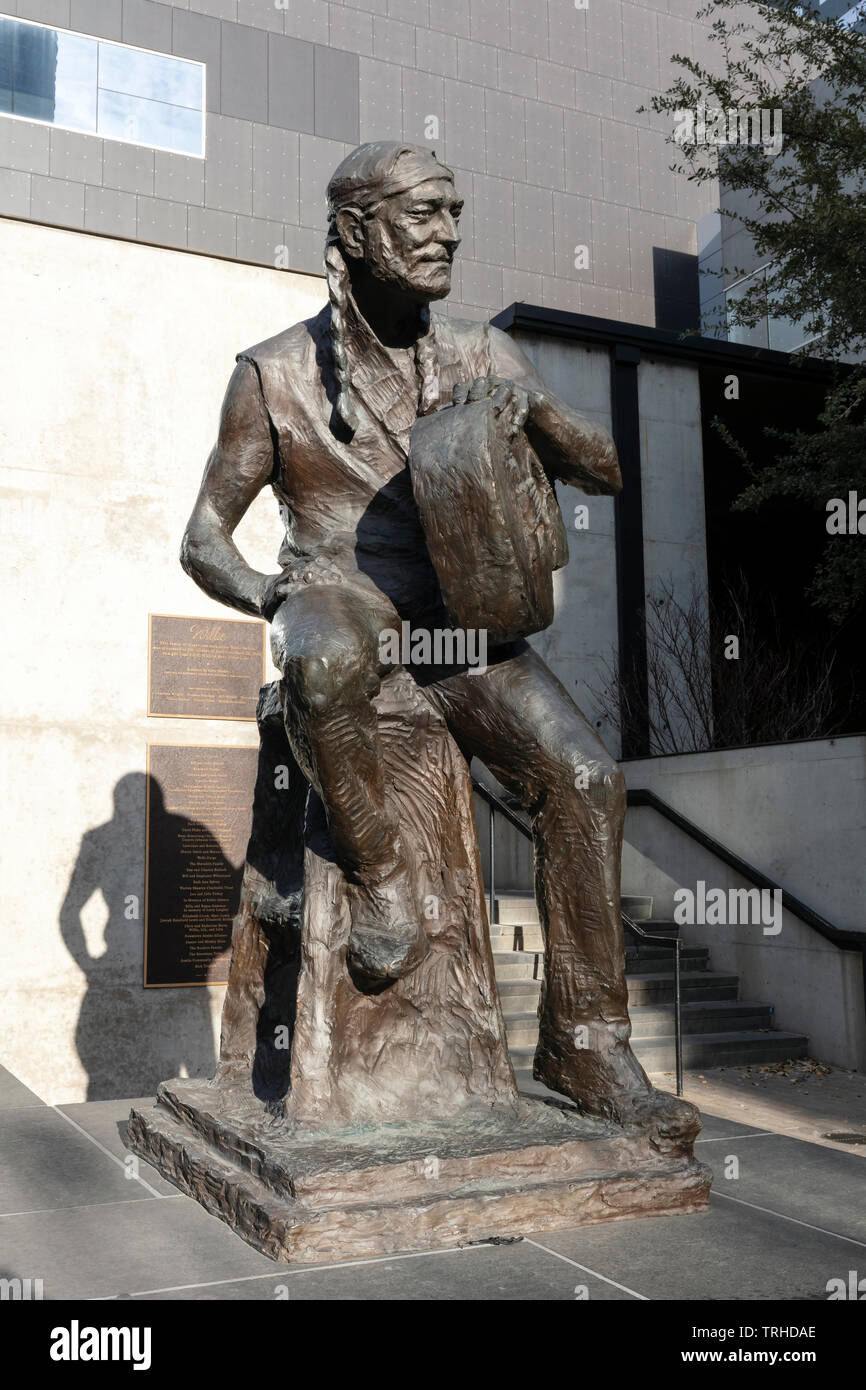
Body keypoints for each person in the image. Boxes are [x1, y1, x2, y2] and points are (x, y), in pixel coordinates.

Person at [181, 141, 698, 1141]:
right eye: (421, 213)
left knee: (586, 777)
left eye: (453, 211)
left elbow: (606, 472)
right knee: (323, 653)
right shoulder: (273, 374)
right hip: (346, 606)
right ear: (356, 232)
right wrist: (272, 594)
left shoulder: (478, 350)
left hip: (466, 636)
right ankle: (379, 877)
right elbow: (203, 539)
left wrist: (538, 413)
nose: (446, 231)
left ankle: (585, 1048)